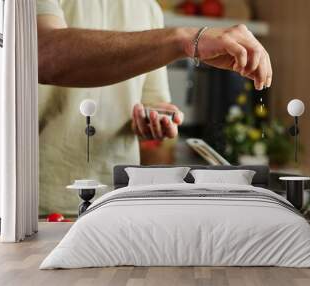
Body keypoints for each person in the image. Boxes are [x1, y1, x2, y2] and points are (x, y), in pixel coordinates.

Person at [37, 0, 272, 215]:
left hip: (116, 203)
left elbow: (153, 107)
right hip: (39, 206)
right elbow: (43, 53)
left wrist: (155, 120)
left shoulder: (148, 7)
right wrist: (184, 39)